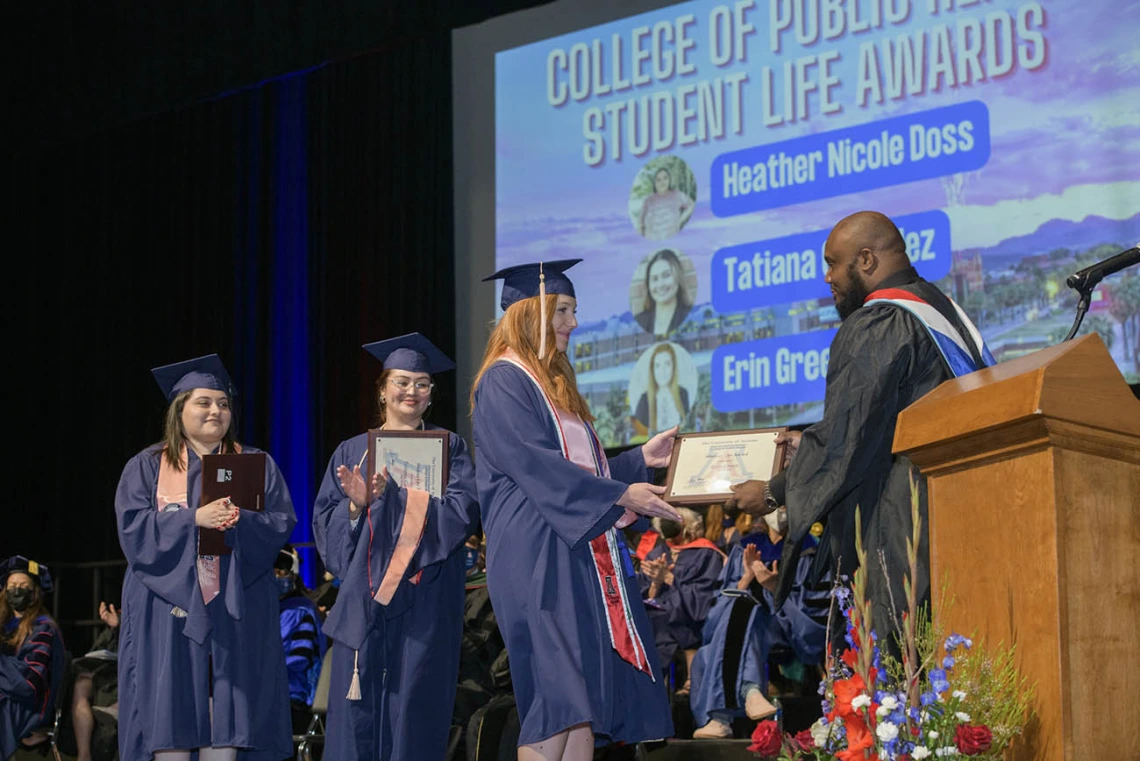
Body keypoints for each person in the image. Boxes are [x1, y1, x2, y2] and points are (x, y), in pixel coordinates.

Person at [725, 211, 995, 654]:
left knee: (897, 677)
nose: (827, 277)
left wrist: (774, 492)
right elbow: (890, 418)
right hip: (960, 520)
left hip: (904, 532)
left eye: (833, 263)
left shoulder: (880, 322)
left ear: (866, 259)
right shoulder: (943, 313)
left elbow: (847, 440)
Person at [472, 259, 681, 760]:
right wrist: (619, 493)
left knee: (581, 705)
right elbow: (536, 465)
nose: (572, 322)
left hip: (570, 550)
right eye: (562, 310)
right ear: (532, 313)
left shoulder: (550, 383)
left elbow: (575, 462)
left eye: (572, 310)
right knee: (555, 701)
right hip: (536, 556)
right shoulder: (504, 380)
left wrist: (637, 461)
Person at [114, 354, 296, 761]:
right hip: (165, 606)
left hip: (236, 601)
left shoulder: (254, 463)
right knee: (170, 707)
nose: (216, 410)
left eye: (224, 403)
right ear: (179, 410)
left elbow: (279, 522)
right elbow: (133, 529)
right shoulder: (146, 466)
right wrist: (194, 519)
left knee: (229, 709)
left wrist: (238, 520)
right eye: (204, 402)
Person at [312, 333, 479, 761]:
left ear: (430, 396)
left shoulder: (451, 447)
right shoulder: (352, 451)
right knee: (357, 718)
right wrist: (355, 507)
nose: (412, 391)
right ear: (383, 389)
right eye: (402, 381)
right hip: (363, 602)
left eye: (422, 383)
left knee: (415, 710)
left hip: (425, 598)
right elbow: (326, 526)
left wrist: (393, 501)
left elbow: (461, 513)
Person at [689, 511, 830, 739]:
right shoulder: (743, 549)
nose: (780, 512)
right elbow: (714, 619)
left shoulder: (810, 550)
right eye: (774, 506)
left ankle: (724, 714)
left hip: (785, 629)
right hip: (752, 634)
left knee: (747, 613)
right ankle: (750, 691)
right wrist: (745, 580)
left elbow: (814, 621)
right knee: (704, 654)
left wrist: (775, 589)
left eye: (785, 506)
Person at [640, 510, 725, 695]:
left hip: (689, 612)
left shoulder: (706, 553)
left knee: (673, 617)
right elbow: (645, 593)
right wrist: (656, 582)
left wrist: (670, 578)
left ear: (688, 525)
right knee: (647, 617)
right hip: (658, 612)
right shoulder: (656, 552)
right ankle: (650, 680)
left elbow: (703, 597)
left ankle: (692, 678)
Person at [1, 556, 65, 761]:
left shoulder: (43, 628)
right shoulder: (5, 626)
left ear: (34, 592)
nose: (16, 590)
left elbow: (28, 685)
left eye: (23, 586)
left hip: (30, 706)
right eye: (11, 585)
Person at [274, 546, 325, 735]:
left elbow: (299, 660)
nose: (277, 575)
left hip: (292, 696)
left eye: (282, 570)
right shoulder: (266, 609)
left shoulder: (299, 611)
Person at [71, 601, 121, 761]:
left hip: (130, 674)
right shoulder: (118, 618)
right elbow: (98, 651)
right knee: (81, 684)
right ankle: (84, 754)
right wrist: (114, 627)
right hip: (108, 674)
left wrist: (120, 628)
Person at [633, 343, 690, 437]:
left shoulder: (683, 394)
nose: (662, 371)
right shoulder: (644, 400)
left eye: (667, 364)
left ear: (673, 367)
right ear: (652, 370)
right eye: (657, 366)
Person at [634, 249, 692, 336]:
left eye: (666, 275)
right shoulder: (640, 320)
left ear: (678, 277)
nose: (660, 285)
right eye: (654, 279)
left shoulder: (690, 315)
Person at [637, 167, 694, 241]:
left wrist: (680, 221)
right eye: (658, 180)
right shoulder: (648, 199)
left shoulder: (677, 195)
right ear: (654, 183)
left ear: (669, 180)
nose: (662, 182)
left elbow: (691, 205)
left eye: (665, 178)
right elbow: (640, 223)